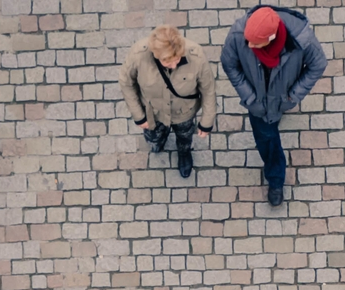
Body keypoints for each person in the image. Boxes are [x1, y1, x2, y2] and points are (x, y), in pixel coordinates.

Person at [219, 5, 328, 207]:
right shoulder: (238, 33)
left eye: (254, 43)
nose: (249, 44)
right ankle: (276, 179)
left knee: (275, 117)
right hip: (258, 104)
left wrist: (293, 96)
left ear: (270, 38)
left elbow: (318, 64)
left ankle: (278, 112)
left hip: (281, 97)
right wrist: (250, 99)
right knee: (268, 140)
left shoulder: (301, 39)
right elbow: (229, 64)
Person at [119, 25, 216, 179]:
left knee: (185, 137)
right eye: (167, 62)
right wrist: (138, 115)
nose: (174, 65)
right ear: (156, 55)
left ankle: (184, 153)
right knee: (153, 137)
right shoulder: (138, 55)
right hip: (153, 113)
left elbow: (208, 88)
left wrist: (207, 120)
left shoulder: (196, 56)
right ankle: (158, 141)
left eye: (177, 60)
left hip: (184, 113)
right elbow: (126, 83)